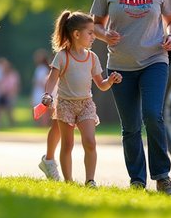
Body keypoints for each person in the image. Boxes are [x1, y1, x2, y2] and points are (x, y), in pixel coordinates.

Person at [90, 0, 171, 195]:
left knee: (153, 115)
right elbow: (94, 24)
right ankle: (137, 181)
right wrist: (105, 34)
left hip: (154, 59)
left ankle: (162, 177)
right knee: (130, 127)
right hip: (119, 65)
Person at [39, 10, 122, 186]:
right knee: (67, 145)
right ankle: (69, 181)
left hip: (86, 104)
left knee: (90, 142)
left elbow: (101, 84)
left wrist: (111, 80)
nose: (94, 37)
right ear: (77, 34)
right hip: (65, 105)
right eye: (90, 33)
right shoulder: (62, 56)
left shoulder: (92, 58)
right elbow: (52, 79)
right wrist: (47, 95)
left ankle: (90, 180)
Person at [33, 49, 61, 180]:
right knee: (57, 126)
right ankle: (50, 160)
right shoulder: (52, 69)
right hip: (58, 97)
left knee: (59, 128)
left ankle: (50, 160)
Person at [0, 57, 20, 128]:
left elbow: (16, 86)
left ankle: (11, 124)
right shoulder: (0, 74)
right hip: (1, 94)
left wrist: (12, 94)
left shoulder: (13, 74)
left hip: (10, 95)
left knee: (9, 110)